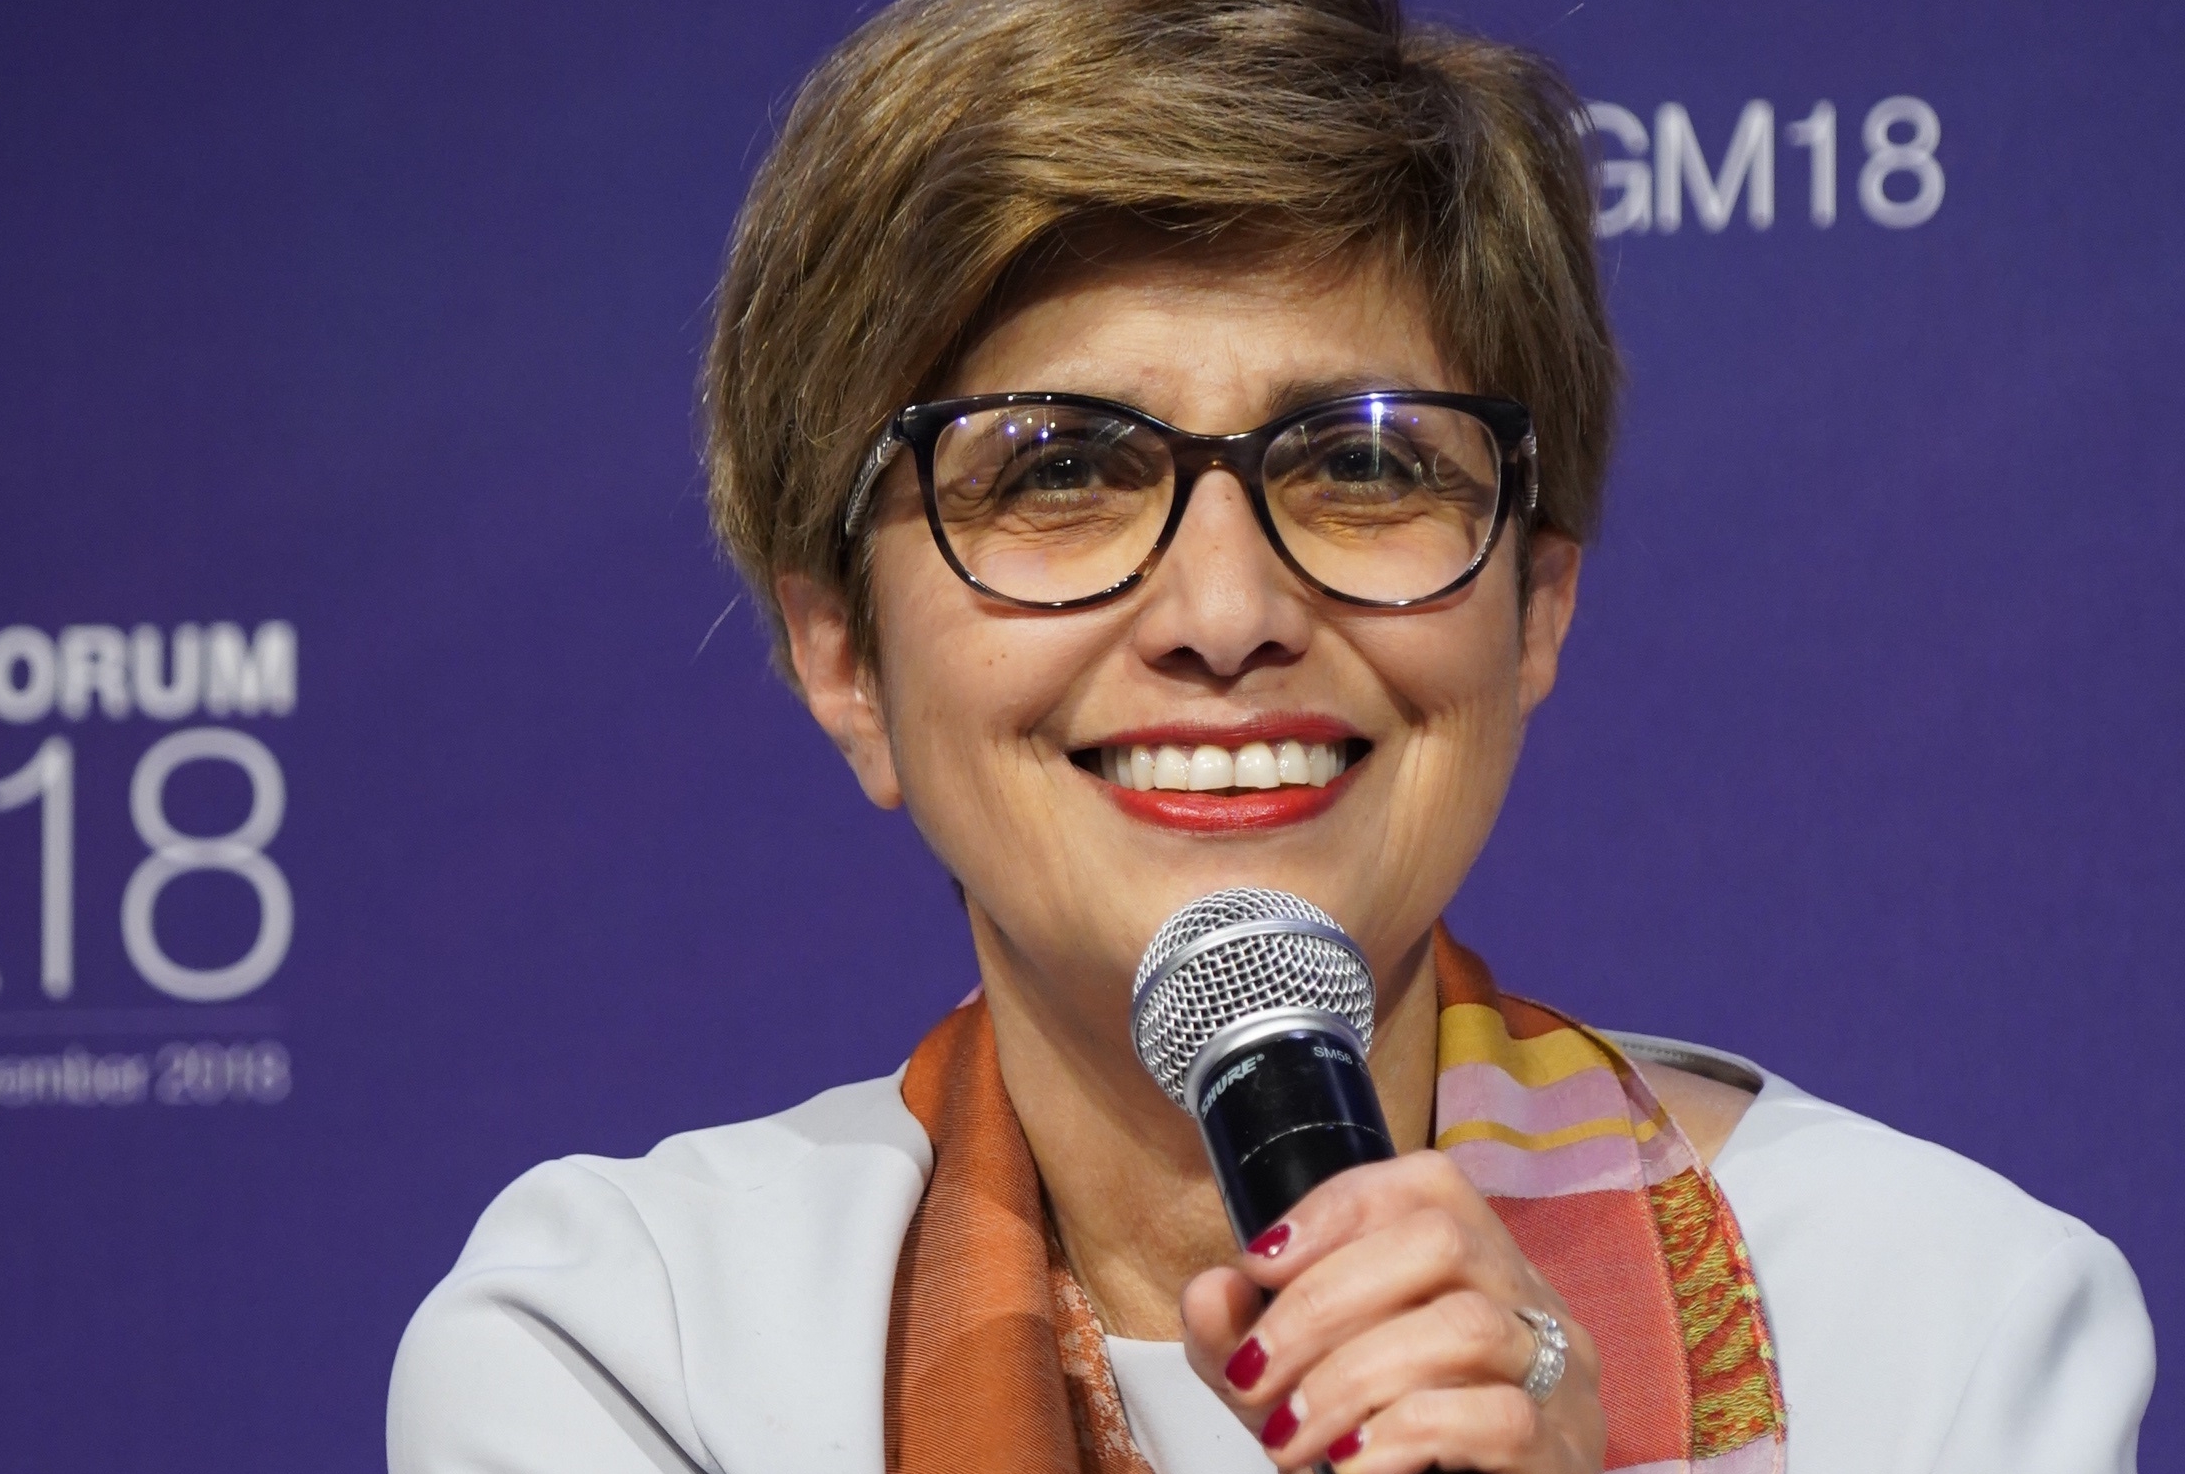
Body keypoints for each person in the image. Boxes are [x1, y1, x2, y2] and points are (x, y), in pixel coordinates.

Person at [387, 1, 2155, 1469]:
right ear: (843, 659)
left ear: (1535, 606)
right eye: (1061, 469)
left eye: (1363, 460)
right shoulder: (634, 1348)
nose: (1227, 609)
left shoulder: (1939, 1323)